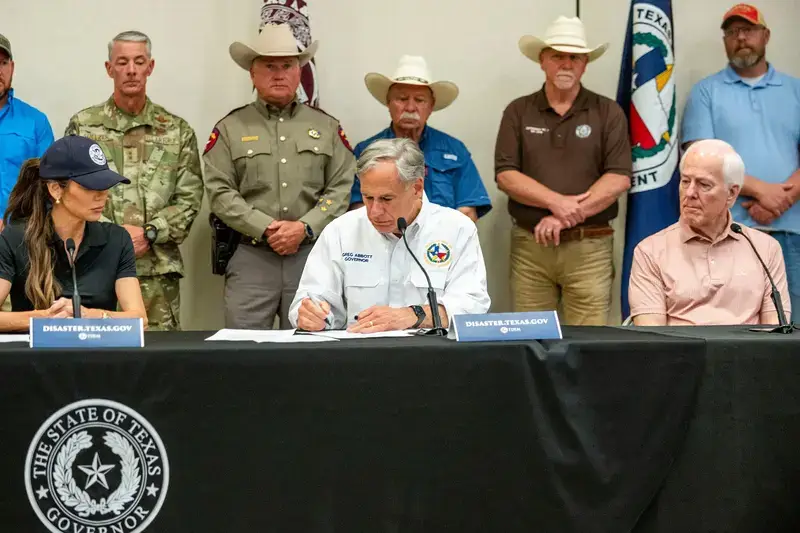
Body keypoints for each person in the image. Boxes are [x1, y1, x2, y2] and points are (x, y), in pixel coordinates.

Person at [204, 24, 356, 330]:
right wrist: (265, 228)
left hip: (312, 257)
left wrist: (305, 227)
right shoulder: (230, 128)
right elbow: (220, 192)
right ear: (252, 73)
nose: (279, 73)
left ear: (299, 72)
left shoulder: (327, 127)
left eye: (287, 65)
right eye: (269, 66)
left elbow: (341, 188)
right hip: (250, 256)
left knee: (310, 351)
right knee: (242, 353)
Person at [494, 16, 632, 325]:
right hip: (531, 248)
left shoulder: (608, 112)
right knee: (531, 340)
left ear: (585, 64)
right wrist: (556, 202)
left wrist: (565, 215)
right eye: (558, 56)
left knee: (588, 344)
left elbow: (619, 177)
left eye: (575, 57)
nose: (566, 64)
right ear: (542, 60)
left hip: (589, 249)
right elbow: (505, 175)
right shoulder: (518, 111)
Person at [64, 30, 203, 331]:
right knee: (94, 360)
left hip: (156, 274)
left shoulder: (176, 131)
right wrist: (111, 237)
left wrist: (149, 233)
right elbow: (68, 194)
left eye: (139, 62)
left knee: (158, 366)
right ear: (109, 68)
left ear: (150, 67)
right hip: (94, 267)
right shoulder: (84, 126)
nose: (131, 70)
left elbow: (190, 199)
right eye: (122, 62)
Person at [289, 138, 490, 332]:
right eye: (368, 197)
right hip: (359, 358)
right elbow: (309, 301)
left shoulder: (456, 229)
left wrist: (415, 315)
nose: (374, 211)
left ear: (417, 188)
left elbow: (472, 304)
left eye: (386, 199)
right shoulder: (341, 230)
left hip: (431, 357)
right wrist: (310, 315)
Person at [681, 3, 800, 313]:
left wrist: (782, 199)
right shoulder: (706, 92)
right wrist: (763, 191)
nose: (741, 38)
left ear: (766, 35)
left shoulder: (795, 90)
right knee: (735, 327)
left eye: (748, 30)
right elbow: (701, 162)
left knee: (793, 328)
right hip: (729, 232)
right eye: (732, 32)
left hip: (793, 233)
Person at [628, 140, 790, 326]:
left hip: (749, 354)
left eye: (704, 185)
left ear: (731, 194)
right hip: (681, 354)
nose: (690, 193)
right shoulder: (650, 251)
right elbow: (651, 339)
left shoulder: (765, 248)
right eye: (685, 181)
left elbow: (776, 332)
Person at [0, 135, 147, 332]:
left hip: (99, 356)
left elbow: (139, 319)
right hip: (36, 360)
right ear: (55, 189)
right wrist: (47, 318)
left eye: (104, 185)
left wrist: (88, 315)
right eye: (89, 187)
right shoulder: (16, 238)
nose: (101, 195)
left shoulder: (116, 239)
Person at [348, 55, 491, 221]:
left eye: (419, 100)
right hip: (383, 241)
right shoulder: (366, 151)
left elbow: (467, 211)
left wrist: (436, 240)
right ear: (388, 103)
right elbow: (358, 209)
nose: (410, 107)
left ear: (431, 107)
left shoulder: (455, 150)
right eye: (402, 99)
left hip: (441, 243)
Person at [0, 33, 55, 232]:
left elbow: (49, 187)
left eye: (2, 63)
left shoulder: (35, 122)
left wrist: (12, 226)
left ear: (11, 68)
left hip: (20, 240)